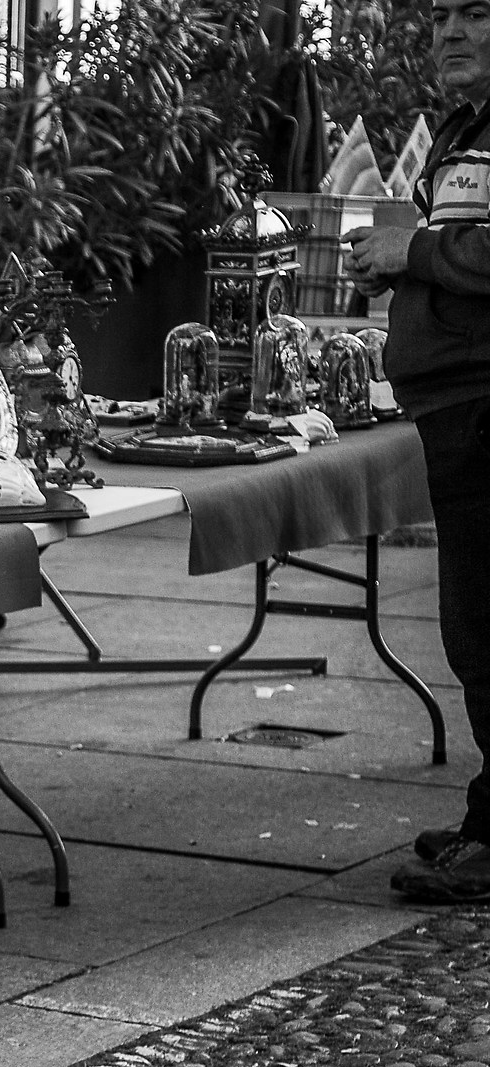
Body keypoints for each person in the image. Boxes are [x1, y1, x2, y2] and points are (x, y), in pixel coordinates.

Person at [356, 0, 490, 901]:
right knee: (477, 631)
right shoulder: (465, 128)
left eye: (475, 13)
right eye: (441, 14)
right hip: (457, 400)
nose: (448, 32)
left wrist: (417, 251)